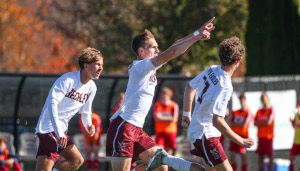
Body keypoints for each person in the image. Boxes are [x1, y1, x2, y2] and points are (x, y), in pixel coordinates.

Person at [106, 17, 215, 171]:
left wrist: (197, 32)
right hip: (124, 126)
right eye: (153, 47)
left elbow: (175, 45)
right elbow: (172, 51)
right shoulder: (140, 67)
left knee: (161, 167)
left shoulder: (149, 67)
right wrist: (196, 37)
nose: (158, 50)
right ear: (141, 52)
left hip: (136, 129)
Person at [181, 36, 254, 171]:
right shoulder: (226, 85)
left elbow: (190, 87)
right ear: (237, 61)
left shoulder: (212, 69)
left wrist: (186, 113)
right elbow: (217, 120)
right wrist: (240, 140)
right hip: (206, 134)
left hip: (198, 131)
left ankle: (167, 160)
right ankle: (167, 159)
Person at [34, 47, 104, 171]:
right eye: (98, 64)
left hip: (59, 131)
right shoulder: (67, 80)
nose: (101, 68)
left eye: (102, 65)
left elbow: (86, 112)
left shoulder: (92, 87)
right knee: (76, 160)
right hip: (49, 128)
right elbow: (52, 104)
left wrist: (89, 125)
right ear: (86, 65)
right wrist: (59, 132)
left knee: (43, 169)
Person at [229, 93, 253, 171]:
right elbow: (231, 124)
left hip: (243, 137)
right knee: (232, 157)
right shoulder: (235, 112)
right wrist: (238, 124)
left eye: (243, 100)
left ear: (245, 100)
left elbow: (244, 125)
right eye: (240, 100)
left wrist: (236, 125)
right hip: (235, 136)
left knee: (243, 156)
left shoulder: (248, 112)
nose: (241, 102)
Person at [153, 87, 179, 155]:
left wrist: (161, 118)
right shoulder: (157, 105)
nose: (163, 96)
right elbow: (156, 118)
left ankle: (168, 164)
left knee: (169, 149)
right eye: (162, 94)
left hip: (171, 131)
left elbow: (174, 119)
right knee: (159, 148)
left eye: (165, 95)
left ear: (169, 96)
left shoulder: (174, 105)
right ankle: (162, 164)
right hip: (160, 131)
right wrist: (169, 118)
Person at [254, 92, 275, 171]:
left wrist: (261, 122)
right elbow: (255, 123)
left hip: (268, 137)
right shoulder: (259, 111)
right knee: (260, 157)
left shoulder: (271, 109)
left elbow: (269, 122)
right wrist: (263, 122)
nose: (264, 101)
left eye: (265, 99)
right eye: (262, 99)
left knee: (270, 157)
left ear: (268, 99)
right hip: (260, 137)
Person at [289, 100, 300, 171]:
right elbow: (295, 127)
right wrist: (292, 122)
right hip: (296, 141)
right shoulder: (296, 114)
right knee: (291, 157)